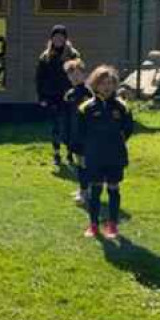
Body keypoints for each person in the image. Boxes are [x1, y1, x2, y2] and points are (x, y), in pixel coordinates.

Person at [70, 65, 134, 240]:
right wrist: (84, 153)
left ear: (115, 85)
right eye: (102, 83)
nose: (106, 87)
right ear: (95, 85)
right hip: (94, 156)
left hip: (115, 156)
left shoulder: (122, 107)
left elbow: (128, 129)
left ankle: (112, 225)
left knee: (113, 188)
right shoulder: (86, 108)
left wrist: (115, 143)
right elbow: (79, 133)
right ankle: (93, 225)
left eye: (110, 83)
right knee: (95, 190)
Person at [36, 24, 81, 168]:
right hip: (52, 95)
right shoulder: (45, 56)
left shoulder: (73, 54)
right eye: (56, 37)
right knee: (55, 125)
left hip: (69, 94)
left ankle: (69, 152)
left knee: (69, 125)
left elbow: (79, 75)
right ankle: (56, 153)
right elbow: (39, 78)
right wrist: (41, 97)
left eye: (61, 37)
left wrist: (79, 92)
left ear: (66, 39)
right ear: (52, 38)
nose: (58, 39)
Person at [63, 58, 93, 206]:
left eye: (78, 74)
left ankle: (86, 192)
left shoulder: (87, 92)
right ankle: (82, 189)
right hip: (74, 133)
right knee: (78, 162)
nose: (74, 77)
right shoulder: (70, 93)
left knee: (84, 163)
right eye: (71, 74)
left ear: (84, 74)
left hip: (85, 134)